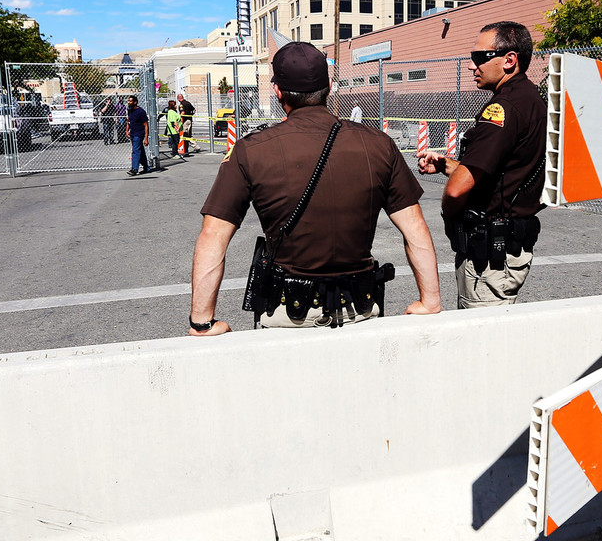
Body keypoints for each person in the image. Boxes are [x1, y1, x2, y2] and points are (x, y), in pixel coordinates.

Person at [189, 42, 442, 335]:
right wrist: (431, 301)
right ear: (330, 86)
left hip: (287, 316)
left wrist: (202, 321)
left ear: (278, 91)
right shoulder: (378, 143)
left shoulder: (250, 150)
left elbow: (213, 236)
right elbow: (415, 227)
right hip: (361, 311)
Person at [416, 21, 547, 308]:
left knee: (479, 344)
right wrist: (447, 165)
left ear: (509, 60)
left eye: (479, 57)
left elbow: (455, 191)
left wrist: (451, 218)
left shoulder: (502, 108)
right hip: (503, 248)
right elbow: (499, 171)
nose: (472, 66)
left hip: (488, 258)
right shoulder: (530, 99)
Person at [124, 95, 154, 175]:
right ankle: (146, 168)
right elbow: (128, 121)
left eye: (130, 101)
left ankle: (134, 169)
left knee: (135, 151)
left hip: (139, 134)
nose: (129, 102)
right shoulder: (130, 110)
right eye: (128, 101)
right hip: (133, 133)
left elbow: (146, 125)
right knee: (140, 151)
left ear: (135, 102)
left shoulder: (141, 111)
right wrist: (127, 131)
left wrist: (146, 138)